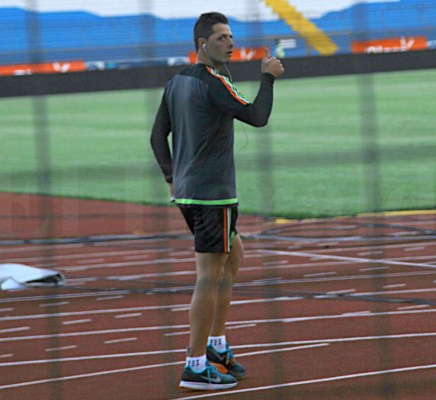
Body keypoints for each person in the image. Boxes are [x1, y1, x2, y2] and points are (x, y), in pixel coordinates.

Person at [150, 11, 284, 391]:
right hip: (214, 197)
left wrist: (172, 178)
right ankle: (194, 365)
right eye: (223, 37)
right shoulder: (213, 82)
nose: (231, 43)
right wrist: (268, 78)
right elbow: (257, 117)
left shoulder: (176, 81)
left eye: (230, 36)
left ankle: (217, 346)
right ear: (201, 44)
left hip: (191, 194)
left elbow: (157, 137)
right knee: (208, 276)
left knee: (234, 254)